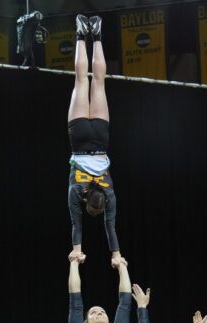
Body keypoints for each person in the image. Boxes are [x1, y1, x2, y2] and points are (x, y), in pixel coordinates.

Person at [68, 14, 123, 268]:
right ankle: (81, 34)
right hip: (79, 140)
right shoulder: (76, 191)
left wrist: (116, 255)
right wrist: (76, 251)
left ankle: (97, 35)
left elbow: (110, 226)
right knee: (81, 81)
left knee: (98, 83)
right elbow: (76, 224)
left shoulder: (109, 193)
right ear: (86, 199)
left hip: (101, 140)